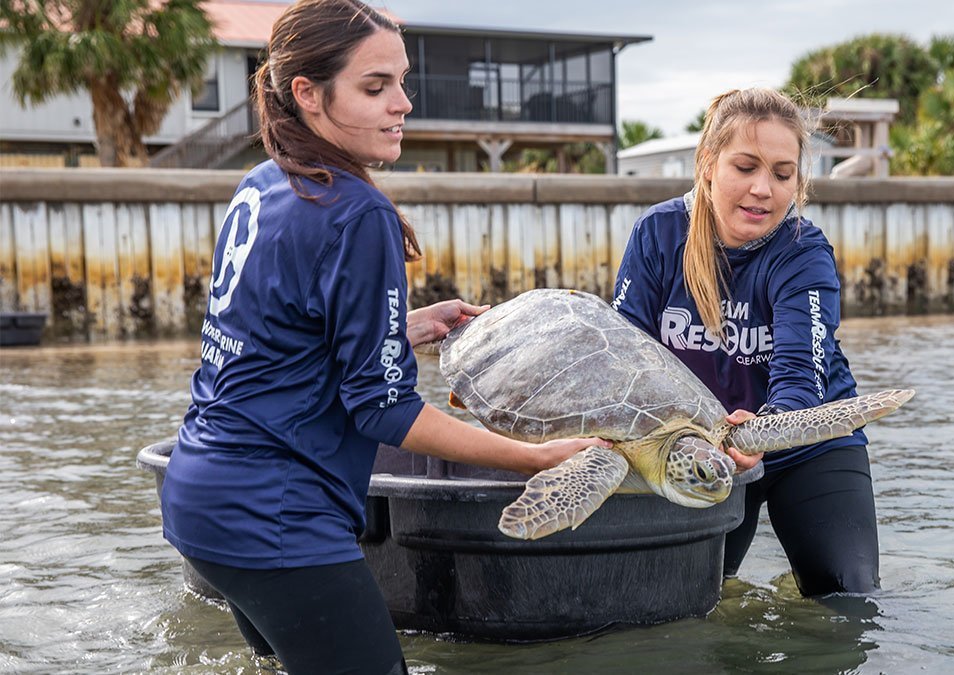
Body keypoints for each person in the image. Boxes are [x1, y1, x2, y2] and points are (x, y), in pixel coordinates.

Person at [157, 2, 606, 673]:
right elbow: (384, 408)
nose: (403, 104)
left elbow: (271, 338)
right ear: (306, 93)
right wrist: (535, 457)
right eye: (375, 87)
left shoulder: (261, 184)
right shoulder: (358, 212)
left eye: (402, 82)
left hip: (199, 498)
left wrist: (404, 327)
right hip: (275, 513)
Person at [611, 87, 880, 597]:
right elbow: (624, 364)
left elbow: (801, 379)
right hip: (700, 452)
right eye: (746, 167)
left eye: (782, 175)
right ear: (708, 164)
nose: (763, 189)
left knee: (848, 602)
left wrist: (760, 430)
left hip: (807, 443)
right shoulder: (658, 234)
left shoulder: (803, 252)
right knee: (693, 603)